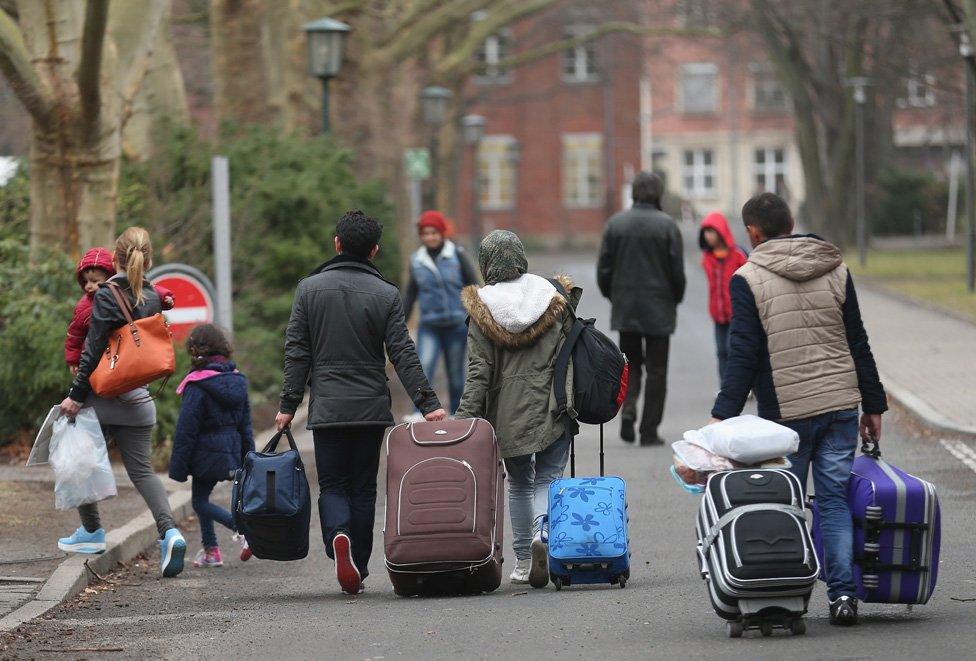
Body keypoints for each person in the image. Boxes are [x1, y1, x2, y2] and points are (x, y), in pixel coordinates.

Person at [710, 192, 887, 626]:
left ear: (752, 232)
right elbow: (857, 339)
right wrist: (873, 403)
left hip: (786, 416)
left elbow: (745, 355)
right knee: (833, 503)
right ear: (791, 222)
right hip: (841, 404)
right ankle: (844, 597)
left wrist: (722, 415)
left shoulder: (747, 278)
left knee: (784, 507)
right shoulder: (835, 267)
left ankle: (788, 594)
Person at [275, 210, 446, 595]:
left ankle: (338, 537)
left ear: (336, 243)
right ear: (374, 250)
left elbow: (297, 351)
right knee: (364, 487)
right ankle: (361, 565)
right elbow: (402, 351)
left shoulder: (309, 289)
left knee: (333, 483)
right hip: (370, 407)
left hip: (328, 406)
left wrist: (288, 404)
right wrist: (427, 402)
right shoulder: (386, 294)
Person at [58, 227, 188, 578]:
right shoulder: (153, 296)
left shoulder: (105, 295)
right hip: (140, 400)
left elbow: (94, 349)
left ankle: (91, 531)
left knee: (77, 461)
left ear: (114, 258)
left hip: (101, 399)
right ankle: (170, 533)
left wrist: (75, 396)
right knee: (144, 473)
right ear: (149, 259)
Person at [455, 230, 580, 590]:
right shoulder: (553, 298)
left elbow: (479, 374)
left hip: (508, 415)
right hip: (555, 404)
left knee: (520, 484)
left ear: (488, 264)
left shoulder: (483, 310)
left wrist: (464, 422)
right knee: (549, 478)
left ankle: (525, 559)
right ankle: (545, 532)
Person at [597, 172, 686, 446]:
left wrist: (615, 297)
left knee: (631, 365)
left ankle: (629, 410)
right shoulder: (668, 226)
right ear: (658, 194)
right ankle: (649, 430)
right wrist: (674, 299)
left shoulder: (616, 224)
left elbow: (603, 270)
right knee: (657, 370)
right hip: (660, 308)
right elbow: (677, 274)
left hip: (627, 308)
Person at [168, 324, 254, 568]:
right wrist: (248, 457)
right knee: (201, 496)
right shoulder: (237, 380)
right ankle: (211, 550)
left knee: (198, 502)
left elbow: (187, 429)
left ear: (195, 351)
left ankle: (242, 530)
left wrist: (178, 466)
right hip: (231, 450)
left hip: (204, 452)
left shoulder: (196, 385)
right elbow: (245, 425)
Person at [402, 210, 479, 416]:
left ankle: (456, 413)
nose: (430, 237)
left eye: (434, 232)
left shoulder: (457, 254)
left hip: (456, 324)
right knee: (424, 367)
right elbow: (410, 294)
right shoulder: (417, 260)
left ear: (442, 233)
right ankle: (420, 412)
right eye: (425, 233)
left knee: (455, 373)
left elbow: (473, 285)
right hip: (430, 325)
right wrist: (400, 324)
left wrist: (477, 317)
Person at [65, 247, 174, 372]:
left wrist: (164, 297)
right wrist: (73, 360)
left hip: (127, 352)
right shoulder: (84, 307)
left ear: (110, 278)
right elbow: (75, 334)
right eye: (85, 281)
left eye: (94, 281)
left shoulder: (121, 293)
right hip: (98, 359)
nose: (89, 286)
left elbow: (145, 290)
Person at [698, 212, 747, 382]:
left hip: (736, 312)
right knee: (721, 351)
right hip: (718, 314)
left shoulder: (738, 255)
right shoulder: (707, 258)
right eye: (705, 232)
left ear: (721, 231)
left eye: (711, 231)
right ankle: (725, 387)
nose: (707, 236)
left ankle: (741, 385)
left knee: (734, 349)